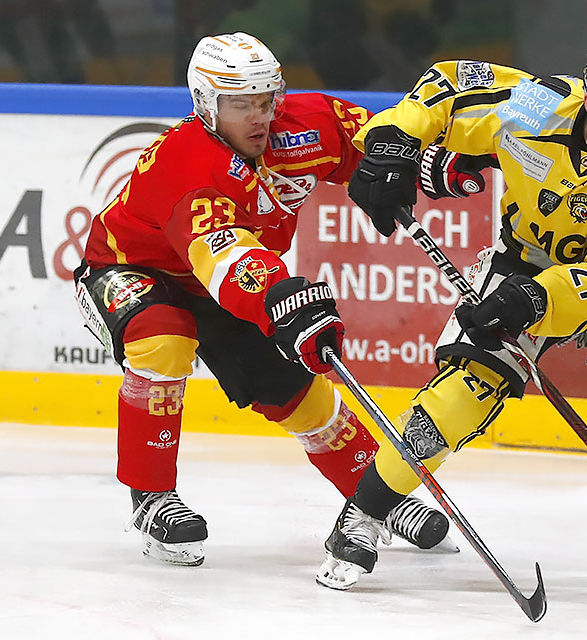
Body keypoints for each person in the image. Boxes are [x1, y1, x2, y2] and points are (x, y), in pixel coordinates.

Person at [316, 32, 587, 594]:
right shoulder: (537, 105)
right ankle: (365, 514)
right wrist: (395, 140)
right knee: (462, 396)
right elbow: (447, 86)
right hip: (519, 265)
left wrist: (536, 300)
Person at [73, 32, 471, 567]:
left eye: (266, 101)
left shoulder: (307, 124)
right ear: (206, 105)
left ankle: (374, 492)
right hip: (132, 270)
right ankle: (151, 497)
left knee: (296, 391)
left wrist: (432, 167)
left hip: (228, 282)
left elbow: (376, 145)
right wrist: (280, 295)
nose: (259, 117)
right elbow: (223, 254)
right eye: (241, 104)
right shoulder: (186, 160)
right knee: (163, 340)